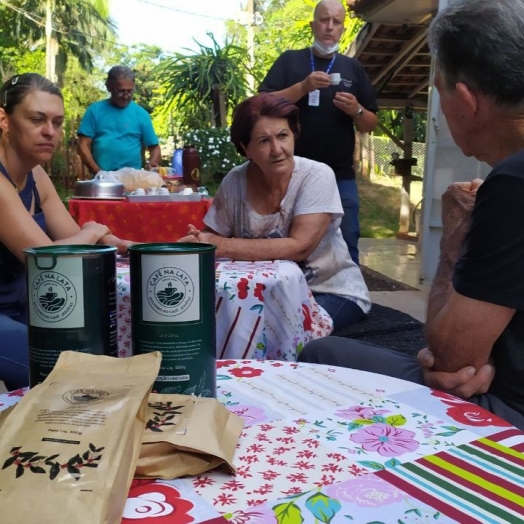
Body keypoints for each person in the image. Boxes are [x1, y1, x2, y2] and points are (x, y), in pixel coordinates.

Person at [298, 0, 524, 430]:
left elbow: (451, 357)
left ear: (465, 101)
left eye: (437, 90)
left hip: (509, 411)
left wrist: (457, 234)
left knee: (320, 356)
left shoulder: (512, 185)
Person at [179, 93, 370, 331]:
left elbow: (299, 247)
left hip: (328, 290)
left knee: (289, 333)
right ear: (245, 148)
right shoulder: (235, 181)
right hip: (263, 292)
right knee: (214, 328)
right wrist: (131, 245)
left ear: (294, 136)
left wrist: (221, 245)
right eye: (263, 141)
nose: (277, 149)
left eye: (283, 136)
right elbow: (205, 242)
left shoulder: (317, 175)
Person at [0, 73, 132, 391]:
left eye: (57, 122)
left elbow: (77, 239)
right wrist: (93, 231)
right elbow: (49, 260)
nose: (50, 132)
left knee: (104, 347)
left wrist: (127, 244)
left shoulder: (35, 174)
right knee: (76, 371)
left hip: (26, 308)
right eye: (37, 119)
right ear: (3, 119)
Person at [259, 0, 378, 265]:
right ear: (313, 24)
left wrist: (356, 110)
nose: (329, 27)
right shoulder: (290, 61)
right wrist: (302, 87)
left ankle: (350, 301)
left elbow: (371, 123)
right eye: (324, 20)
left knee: (347, 243)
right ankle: (289, 299)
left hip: (339, 176)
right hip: (290, 176)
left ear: (342, 28)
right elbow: (261, 103)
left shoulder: (352, 68)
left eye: (336, 22)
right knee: (286, 244)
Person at [77, 65, 161, 175]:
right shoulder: (94, 111)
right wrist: (97, 172)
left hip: (133, 179)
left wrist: (153, 163)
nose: (126, 96)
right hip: (103, 179)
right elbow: (83, 145)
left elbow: (155, 148)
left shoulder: (141, 114)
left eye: (129, 91)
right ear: (109, 87)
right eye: (121, 91)